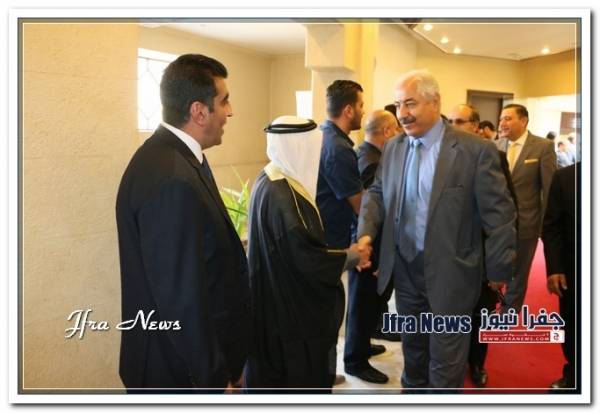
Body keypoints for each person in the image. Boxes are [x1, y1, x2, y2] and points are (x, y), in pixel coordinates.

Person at [357, 70, 517, 389]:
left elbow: (500, 215)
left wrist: (498, 272)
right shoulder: (394, 147)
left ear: (435, 102)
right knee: (414, 352)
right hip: (405, 271)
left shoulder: (475, 150)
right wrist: (366, 232)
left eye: (410, 103)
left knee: (446, 363)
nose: (402, 113)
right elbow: (377, 192)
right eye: (398, 104)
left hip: (453, 275)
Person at [115, 54, 250, 391]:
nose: (230, 111)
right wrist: (215, 379)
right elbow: (180, 298)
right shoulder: (171, 176)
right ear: (199, 112)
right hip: (176, 373)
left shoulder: (180, 159)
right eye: (224, 101)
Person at [244, 116, 371, 391]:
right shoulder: (284, 196)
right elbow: (307, 259)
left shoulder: (270, 177)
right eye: (313, 149)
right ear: (299, 147)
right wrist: (352, 255)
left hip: (273, 299)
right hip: (289, 314)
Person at [449, 104, 518, 387]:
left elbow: (507, 211)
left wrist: (499, 263)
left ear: (476, 126)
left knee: (481, 313)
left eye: (460, 121)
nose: (454, 126)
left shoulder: (493, 156)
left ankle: (477, 363)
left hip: (482, 255)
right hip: (450, 255)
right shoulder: (441, 156)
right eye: (450, 121)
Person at [344, 110, 400, 384]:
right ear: (387, 130)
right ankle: (355, 360)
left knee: (370, 303)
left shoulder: (365, 154)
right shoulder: (372, 162)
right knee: (362, 304)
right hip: (369, 245)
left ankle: (363, 345)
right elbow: (368, 209)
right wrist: (370, 250)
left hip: (371, 243)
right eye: (396, 129)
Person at [316, 79, 366, 385]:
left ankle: (322, 371)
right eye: (360, 105)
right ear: (348, 110)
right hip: (330, 240)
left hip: (324, 235)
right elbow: (358, 203)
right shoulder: (339, 148)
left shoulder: (324, 136)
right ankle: (322, 375)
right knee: (330, 310)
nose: (362, 111)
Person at [496, 104, 557, 311]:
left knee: (518, 273)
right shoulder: (494, 145)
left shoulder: (542, 147)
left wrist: (545, 225)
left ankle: (508, 314)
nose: (502, 123)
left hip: (526, 223)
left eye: (508, 118)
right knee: (495, 268)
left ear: (523, 121)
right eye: (501, 119)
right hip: (496, 224)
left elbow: (549, 188)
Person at [542, 162, 580, 391]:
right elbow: (552, 227)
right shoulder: (566, 177)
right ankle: (574, 375)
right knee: (574, 326)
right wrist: (555, 268)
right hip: (574, 271)